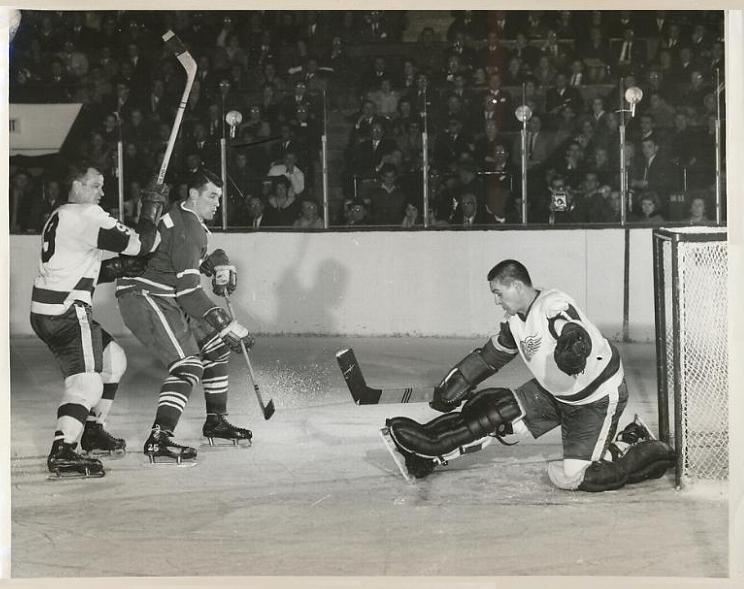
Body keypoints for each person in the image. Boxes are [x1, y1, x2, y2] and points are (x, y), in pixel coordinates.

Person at [384, 259, 675, 491]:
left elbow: (572, 328)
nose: (496, 300)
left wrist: (572, 345)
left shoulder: (551, 304)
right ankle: (431, 450)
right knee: (495, 410)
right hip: (554, 391)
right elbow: (489, 357)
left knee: (578, 477)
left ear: (516, 285)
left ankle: (634, 441)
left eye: (498, 293)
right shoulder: (513, 322)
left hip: (594, 400)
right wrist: (456, 383)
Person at [30, 163, 167, 478]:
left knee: (113, 360)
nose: (101, 192)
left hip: (48, 309)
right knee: (87, 381)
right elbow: (142, 243)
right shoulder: (87, 215)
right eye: (95, 185)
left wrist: (116, 268)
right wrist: (150, 211)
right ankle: (63, 449)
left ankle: (92, 430)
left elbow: (79, 269)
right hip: (67, 312)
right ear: (76, 186)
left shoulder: (60, 214)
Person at [116, 170, 255, 465]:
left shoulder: (182, 215)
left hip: (165, 293)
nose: (217, 203)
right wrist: (225, 322)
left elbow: (173, 255)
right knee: (188, 365)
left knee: (215, 349)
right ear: (193, 194)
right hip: (145, 296)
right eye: (211, 196)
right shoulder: (190, 229)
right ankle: (159, 438)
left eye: (219, 197)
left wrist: (211, 261)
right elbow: (190, 293)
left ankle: (215, 422)